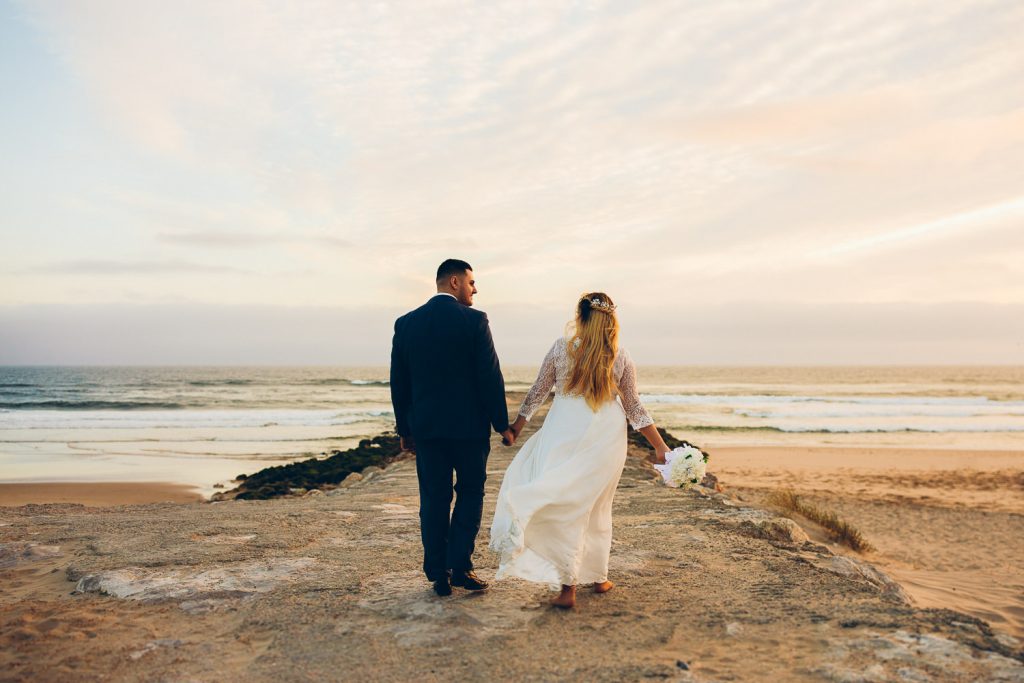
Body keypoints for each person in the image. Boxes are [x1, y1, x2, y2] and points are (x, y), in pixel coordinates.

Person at [489, 292, 671, 609]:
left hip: (563, 429)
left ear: (580, 316)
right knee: (597, 505)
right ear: (611, 320)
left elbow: (538, 390)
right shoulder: (621, 355)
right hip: (607, 436)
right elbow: (634, 407)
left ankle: (568, 587)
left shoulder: (562, 348)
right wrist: (660, 446)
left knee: (565, 502)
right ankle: (597, 578)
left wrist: (517, 426)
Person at [390, 259, 517, 597]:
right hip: (469, 429)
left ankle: (438, 573)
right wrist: (502, 424)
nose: (475, 289)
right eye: (472, 282)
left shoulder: (406, 324)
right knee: (471, 493)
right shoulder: (475, 321)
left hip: (428, 430)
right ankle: (461, 567)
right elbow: (489, 375)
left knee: (433, 498)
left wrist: (405, 428)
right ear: (455, 282)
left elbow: (399, 382)